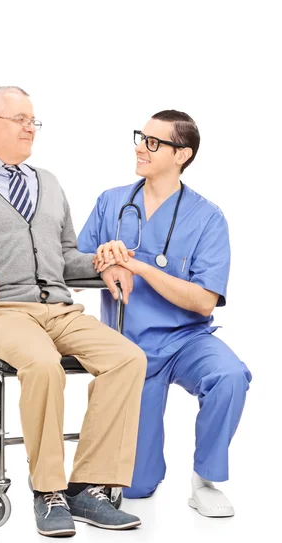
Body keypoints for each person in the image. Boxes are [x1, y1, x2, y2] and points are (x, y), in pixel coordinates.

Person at [0, 86, 148, 537]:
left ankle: (85, 488)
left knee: (128, 358)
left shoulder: (49, 182)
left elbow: (65, 257)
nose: (30, 127)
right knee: (42, 365)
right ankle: (49, 491)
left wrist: (103, 261)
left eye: (33, 120)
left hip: (57, 311)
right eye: (20, 119)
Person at [78, 110, 252, 517]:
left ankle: (206, 480)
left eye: (154, 142)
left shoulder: (208, 217)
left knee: (229, 375)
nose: (141, 146)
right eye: (141, 137)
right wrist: (102, 260)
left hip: (186, 339)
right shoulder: (111, 202)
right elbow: (75, 261)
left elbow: (204, 300)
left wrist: (140, 267)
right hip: (129, 348)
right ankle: (142, 474)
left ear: (182, 154)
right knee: (136, 487)